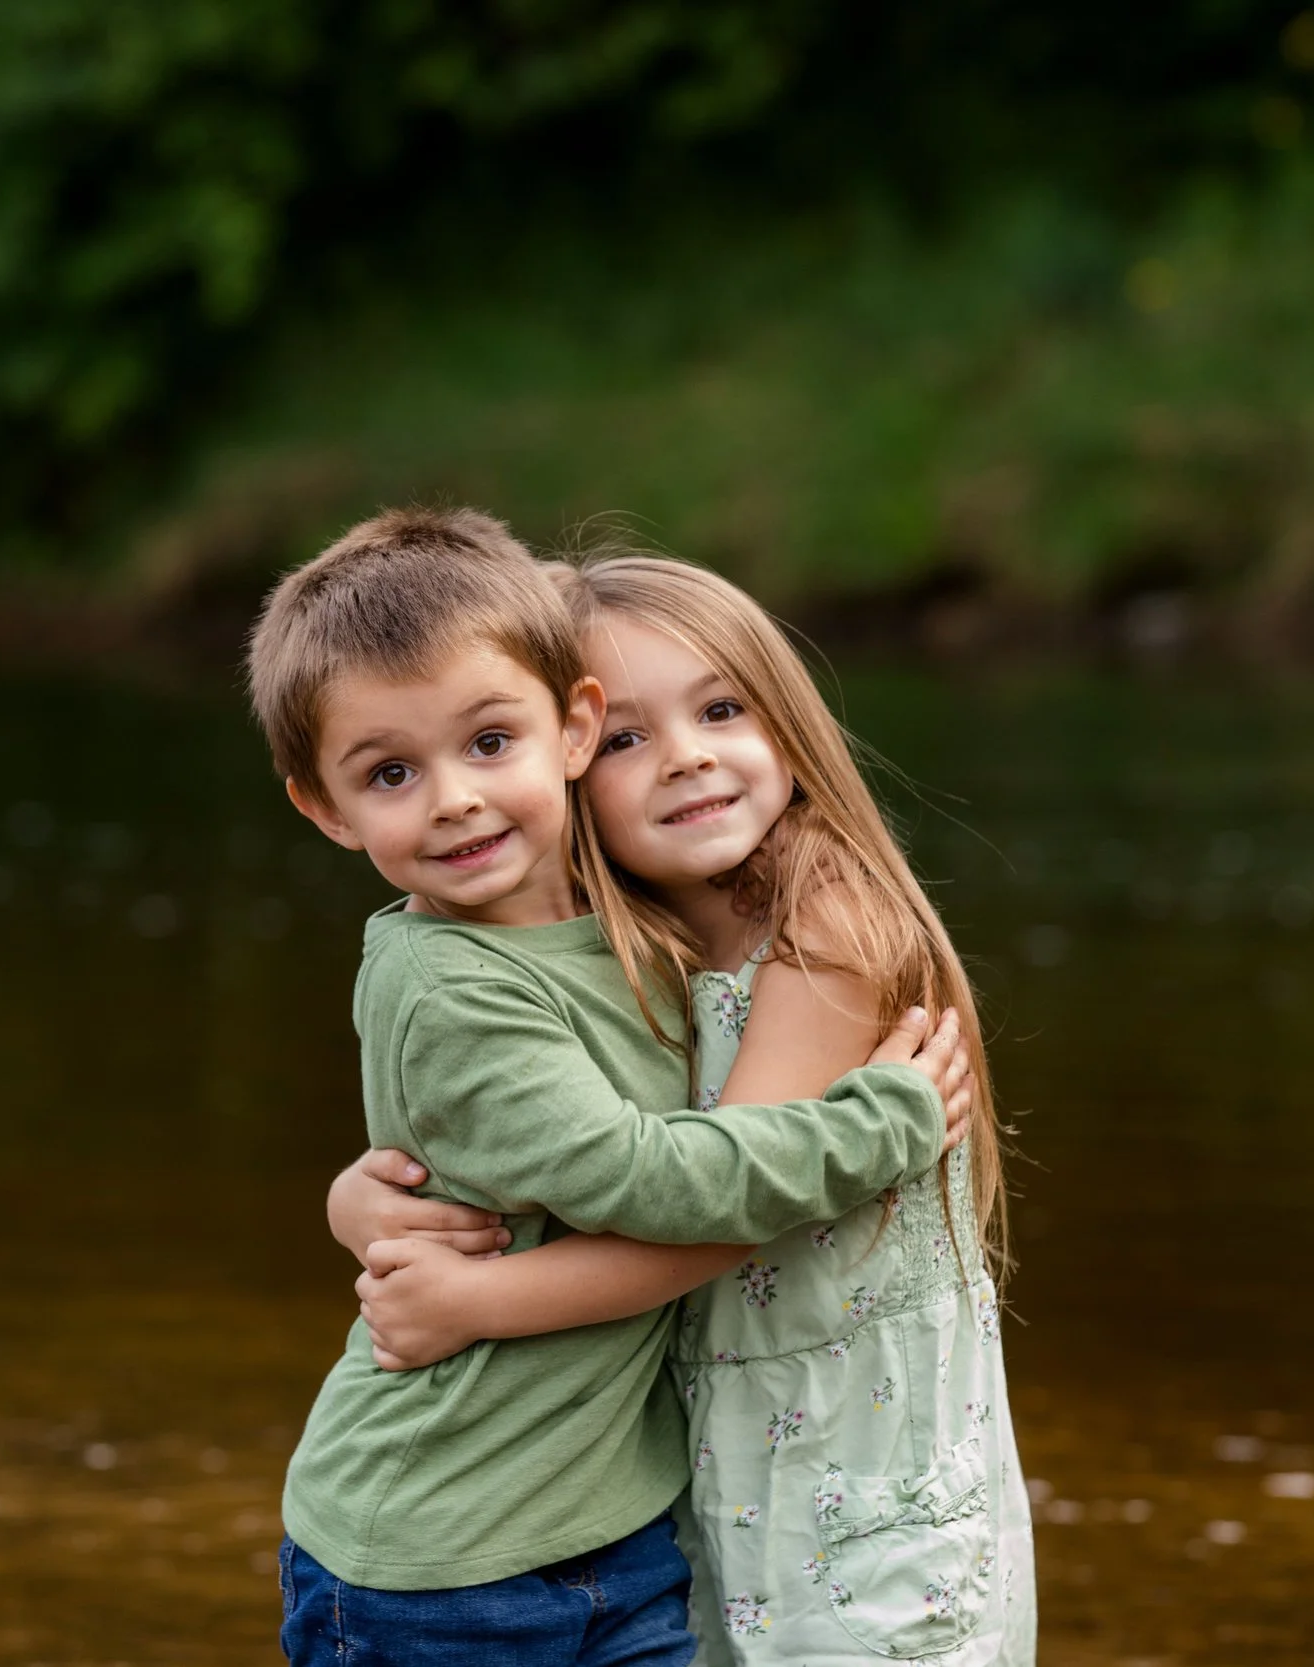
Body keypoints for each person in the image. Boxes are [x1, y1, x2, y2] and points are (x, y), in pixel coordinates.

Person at [247, 507, 973, 1667]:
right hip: (456, 1547)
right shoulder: (506, 957)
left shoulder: (738, 921)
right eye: (392, 771)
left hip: (661, 1497)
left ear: (559, 734)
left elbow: (660, 1188)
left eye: (490, 743)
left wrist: (452, 1279)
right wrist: (357, 1201)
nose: (453, 797)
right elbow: (634, 1175)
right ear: (328, 808)